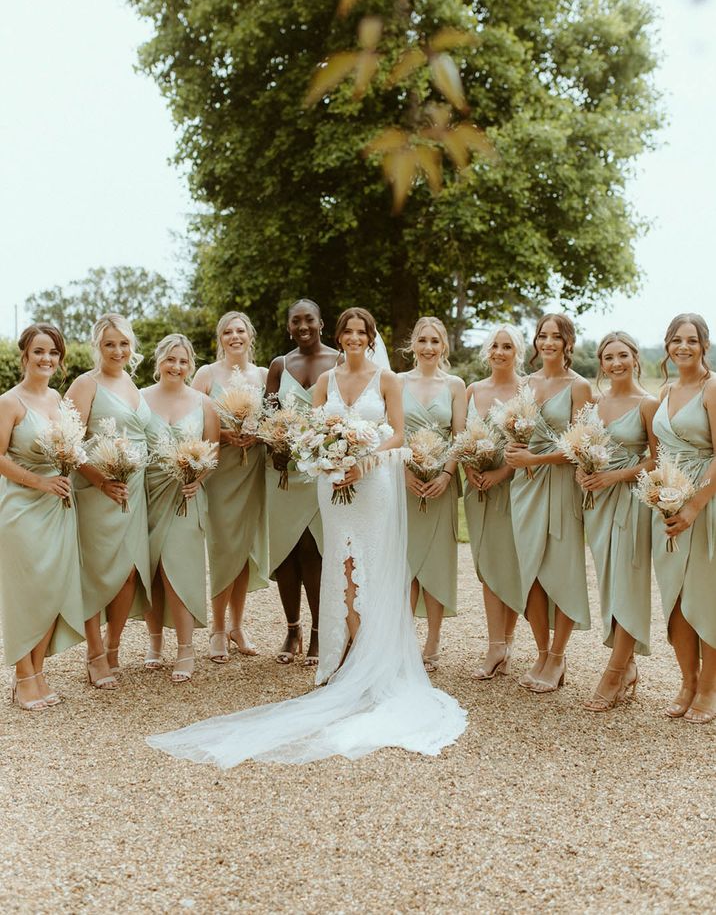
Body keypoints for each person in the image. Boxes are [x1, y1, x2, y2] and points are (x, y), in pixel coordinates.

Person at [147, 307, 466, 766]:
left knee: (370, 566)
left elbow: (397, 434)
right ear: (339, 337)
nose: (354, 338)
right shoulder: (324, 384)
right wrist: (328, 460)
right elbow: (310, 434)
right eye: (348, 331)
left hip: (371, 481)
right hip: (332, 481)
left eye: (362, 332)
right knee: (342, 564)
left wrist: (362, 458)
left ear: (369, 337)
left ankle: (374, 663)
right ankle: (342, 659)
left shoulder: (387, 380)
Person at [505, 313, 593, 693]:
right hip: (524, 487)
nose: (548, 343)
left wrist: (535, 460)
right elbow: (513, 431)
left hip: (559, 484)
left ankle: (558, 657)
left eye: (557, 337)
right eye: (543, 336)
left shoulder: (580, 387)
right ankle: (542, 651)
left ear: (568, 343)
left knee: (562, 568)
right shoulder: (524, 384)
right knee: (531, 573)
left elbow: (581, 447)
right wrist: (512, 449)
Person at [0, 324, 85, 710]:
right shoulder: (10, 402)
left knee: (51, 590)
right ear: (25, 355)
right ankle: (22, 677)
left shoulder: (60, 400)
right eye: (39, 351)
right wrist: (39, 482)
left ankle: (37, 674)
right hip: (21, 508)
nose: (46, 359)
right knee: (26, 594)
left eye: (53, 353)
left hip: (58, 508)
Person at [66, 314, 152, 688]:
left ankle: (115, 647)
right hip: (98, 493)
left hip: (134, 491)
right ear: (97, 347)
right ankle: (94, 654)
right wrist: (101, 482)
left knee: (129, 571)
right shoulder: (85, 385)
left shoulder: (134, 385)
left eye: (123, 344)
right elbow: (67, 445)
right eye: (109, 344)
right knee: (97, 572)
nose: (118, 351)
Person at [578, 332, 657, 711]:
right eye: (608, 357)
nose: (615, 363)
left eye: (622, 355)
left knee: (626, 583)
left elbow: (657, 460)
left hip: (630, 501)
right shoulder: (596, 402)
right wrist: (584, 471)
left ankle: (612, 672)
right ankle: (627, 667)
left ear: (635, 357)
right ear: (601, 363)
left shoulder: (648, 404)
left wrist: (614, 476)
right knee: (609, 582)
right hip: (596, 502)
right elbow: (586, 447)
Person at [264, 299, 338, 665]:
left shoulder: (339, 361)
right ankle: (292, 628)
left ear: (321, 323)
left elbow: (347, 413)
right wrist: (274, 444)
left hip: (321, 472)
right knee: (286, 555)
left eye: (310, 318)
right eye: (297, 321)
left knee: (315, 551)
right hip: (284, 475)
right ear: (289, 327)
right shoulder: (279, 365)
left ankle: (320, 633)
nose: (304, 325)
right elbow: (268, 414)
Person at [142, 335, 219, 682]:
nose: (176, 367)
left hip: (186, 495)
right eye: (170, 359)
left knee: (179, 568)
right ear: (159, 360)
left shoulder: (204, 403)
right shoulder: (139, 399)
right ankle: (154, 643)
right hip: (150, 493)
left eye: (184, 361)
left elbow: (213, 450)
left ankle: (186, 648)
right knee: (152, 570)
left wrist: (198, 478)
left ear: (191, 365)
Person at [651, 313, 716, 724]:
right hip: (669, 501)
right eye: (676, 340)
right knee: (674, 597)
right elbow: (659, 453)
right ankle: (687, 682)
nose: (683, 347)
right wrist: (661, 493)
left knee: (705, 596)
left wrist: (694, 506)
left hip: (706, 503)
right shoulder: (666, 390)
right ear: (668, 346)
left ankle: (710, 687)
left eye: (691, 340)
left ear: (704, 345)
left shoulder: (713, 388)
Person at [193, 311, 268, 662]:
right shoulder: (207, 374)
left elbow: (276, 420)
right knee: (224, 548)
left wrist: (259, 433)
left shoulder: (265, 375)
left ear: (249, 335)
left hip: (253, 469)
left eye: (240, 330)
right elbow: (188, 418)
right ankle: (218, 629)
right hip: (220, 470)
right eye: (227, 331)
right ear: (220, 338)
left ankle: (238, 625)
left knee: (245, 550)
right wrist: (223, 434)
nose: (234, 336)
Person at [399, 317, 465, 671]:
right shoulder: (396, 382)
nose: (428, 347)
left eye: (435, 341)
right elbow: (391, 430)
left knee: (438, 559)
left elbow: (459, 436)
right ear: (413, 344)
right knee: (405, 560)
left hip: (441, 480)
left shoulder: (455, 385)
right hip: (404, 481)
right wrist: (406, 471)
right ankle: (404, 636)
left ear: (444, 347)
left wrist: (445, 474)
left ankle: (434, 638)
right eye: (422, 340)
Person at [464, 325, 524, 680]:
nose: (500, 352)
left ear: (517, 351)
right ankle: (500, 644)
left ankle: (500, 645)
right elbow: (461, 435)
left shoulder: (526, 391)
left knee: (508, 565)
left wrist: (502, 474)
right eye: (495, 346)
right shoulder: (473, 390)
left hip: (511, 487)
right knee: (486, 565)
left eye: (507, 346)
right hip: (477, 489)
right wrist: (469, 468)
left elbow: (531, 443)